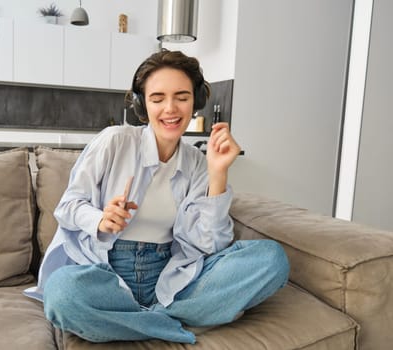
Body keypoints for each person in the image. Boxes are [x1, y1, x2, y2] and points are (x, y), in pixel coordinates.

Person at [24, 49, 289, 344]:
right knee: (63, 295)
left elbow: (210, 245)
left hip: (172, 275)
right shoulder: (114, 141)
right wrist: (101, 219)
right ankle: (168, 323)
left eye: (182, 97)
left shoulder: (197, 163)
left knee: (272, 259)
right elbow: (68, 206)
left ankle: (138, 317)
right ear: (142, 103)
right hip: (107, 274)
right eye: (157, 98)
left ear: (196, 101)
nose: (170, 109)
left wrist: (218, 174)